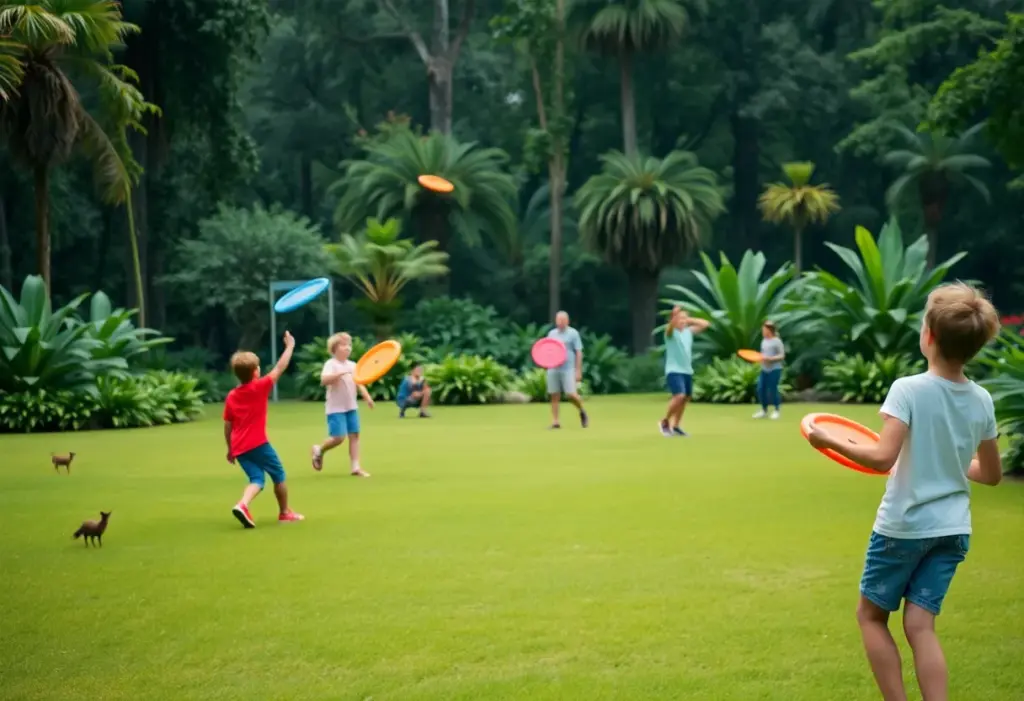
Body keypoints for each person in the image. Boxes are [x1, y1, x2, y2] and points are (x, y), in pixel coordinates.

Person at [808, 283, 1002, 701]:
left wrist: (827, 441)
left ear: (928, 335)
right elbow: (990, 474)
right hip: (952, 531)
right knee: (920, 624)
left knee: (871, 617)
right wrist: (945, 463)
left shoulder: (908, 389)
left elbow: (880, 457)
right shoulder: (982, 399)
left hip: (904, 528)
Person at [223, 331, 304, 528]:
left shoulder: (232, 396)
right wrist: (290, 346)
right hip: (258, 444)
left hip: (239, 447)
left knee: (257, 479)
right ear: (255, 373)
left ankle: (242, 504)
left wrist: (230, 449)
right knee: (279, 475)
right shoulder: (260, 387)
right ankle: (285, 513)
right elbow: (280, 367)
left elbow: (228, 425)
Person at [311, 332, 375, 477]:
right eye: (344, 345)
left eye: (349, 345)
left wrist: (367, 397)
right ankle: (319, 450)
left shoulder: (353, 365)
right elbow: (323, 380)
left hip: (351, 407)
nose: (347, 348)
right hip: (335, 408)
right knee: (338, 438)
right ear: (334, 348)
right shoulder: (331, 364)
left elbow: (359, 382)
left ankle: (356, 467)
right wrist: (339, 374)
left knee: (354, 436)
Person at [660, 306, 710, 436]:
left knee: (685, 398)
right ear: (674, 320)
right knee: (679, 395)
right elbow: (670, 327)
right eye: (680, 318)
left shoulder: (688, 332)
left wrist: (688, 319)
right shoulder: (670, 333)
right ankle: (665, 421)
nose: (682, 321)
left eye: (684, 318)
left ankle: (676, 426)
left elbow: (705, 324)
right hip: (674, 370)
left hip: (687, 370)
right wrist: (675, 316)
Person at [546, 310, 589, 429]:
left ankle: (582, 411)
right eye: (558, 320)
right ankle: (555, 422)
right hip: (553, 368)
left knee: (571, 395)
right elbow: (547, 350)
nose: (560, 322)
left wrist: (578, 370)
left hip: (568, 368)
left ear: (567, 321)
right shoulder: (551, 334)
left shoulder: (573, 333)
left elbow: (579, 352)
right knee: (554, 395)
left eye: (562, 320)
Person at [753, 320, 785, 420]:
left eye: (764, 329)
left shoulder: (777, 341)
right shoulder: (764, 341)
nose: (762, 331)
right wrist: (760, 359)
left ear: (769, 330)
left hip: (775, 369)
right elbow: (763, 354)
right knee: (760, 389)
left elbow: (782, 355)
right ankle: (764, 410)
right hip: (764, 369)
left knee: (773, 389)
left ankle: (776, 410)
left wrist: (770, 359)